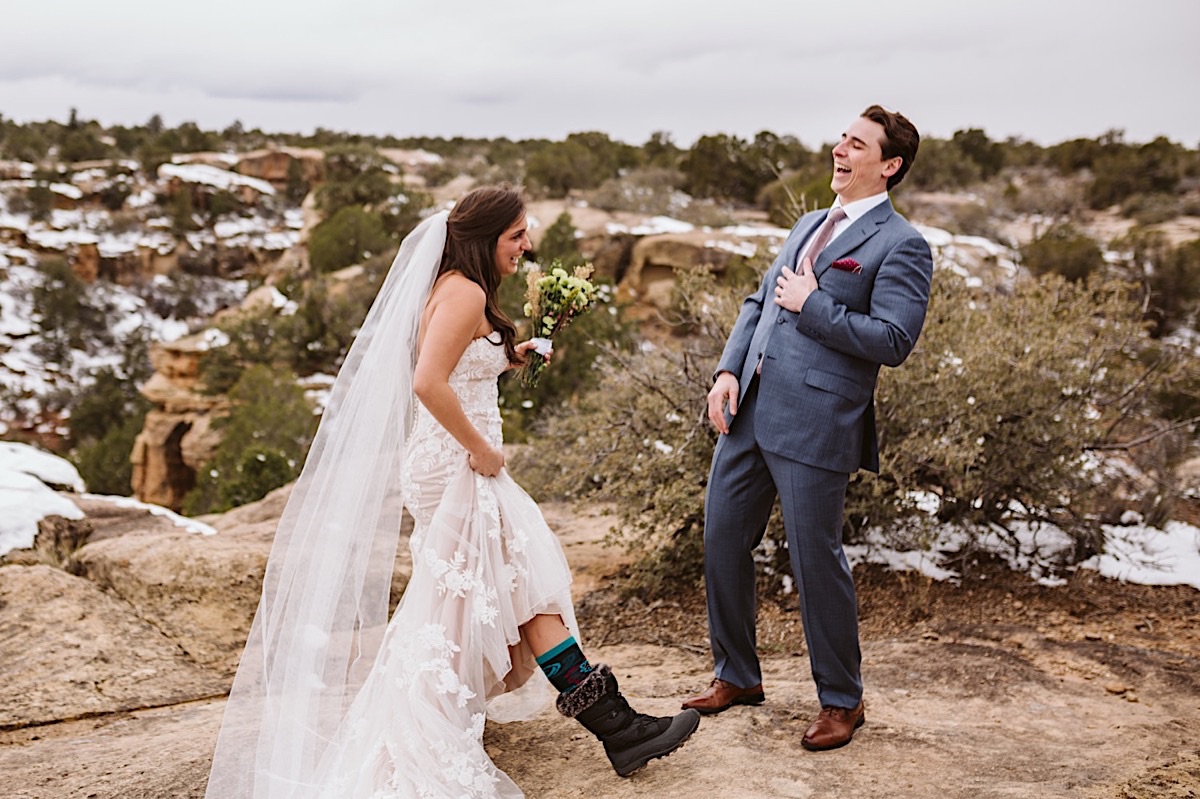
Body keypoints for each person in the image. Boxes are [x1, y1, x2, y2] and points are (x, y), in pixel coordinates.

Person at [206, 184, 699, 798]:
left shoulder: (456, 287)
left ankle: (618, 727)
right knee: (504, 587)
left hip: (459, 466)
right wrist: (478, 447)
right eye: (517, 235)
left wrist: (510, 356)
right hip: (459, 467)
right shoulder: (464, 292)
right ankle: (610, 727)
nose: (527, 245)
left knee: (513, 587)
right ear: (485, 238)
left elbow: (462, 364)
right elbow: (427, 381)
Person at [681, 106, 933, 751]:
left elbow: (894, 339)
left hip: (819, 422)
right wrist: (727, 371)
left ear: (890, 165)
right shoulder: (806, 223)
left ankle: (842, 702)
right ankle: (737, 676)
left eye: (857, 143)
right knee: (721, 541)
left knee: (815, 562)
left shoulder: (902, 243)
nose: (840, 149)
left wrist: (814, 305)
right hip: (750, 410)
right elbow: (758, 302)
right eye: (841, 138)